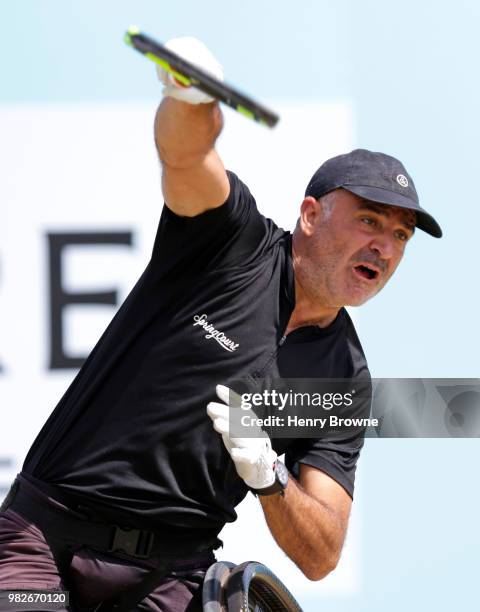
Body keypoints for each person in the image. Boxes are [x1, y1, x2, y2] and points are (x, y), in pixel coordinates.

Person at [0, 37, 442, 611]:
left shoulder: (341, 378)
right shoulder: (232, 245)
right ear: (310, 215)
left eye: (400, 236)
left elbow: (321, 552)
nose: (383, 247)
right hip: (44, 535)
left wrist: (269, 476)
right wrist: (188, 96)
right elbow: (186, 158)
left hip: (168, 575)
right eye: (368, 220)